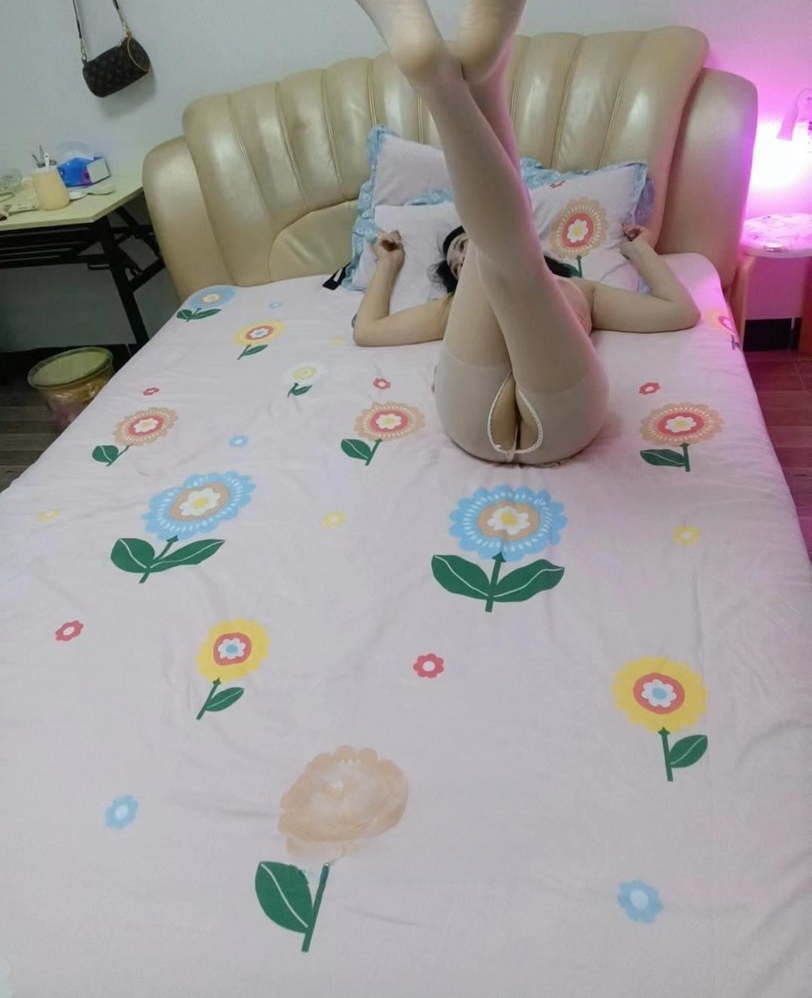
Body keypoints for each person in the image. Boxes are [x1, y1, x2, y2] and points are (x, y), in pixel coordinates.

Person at [351, 0, 700, 464]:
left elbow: (678, 312)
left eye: (461, 245)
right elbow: (368, 331)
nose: (460, 255)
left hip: (515, 412)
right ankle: (475, 83)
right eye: (456, 256)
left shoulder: (582, 290)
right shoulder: (451, 308)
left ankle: (458, 84)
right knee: (500, 255)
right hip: (541, 413)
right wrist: (388, 264)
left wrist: (641, 252)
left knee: (504, 255)